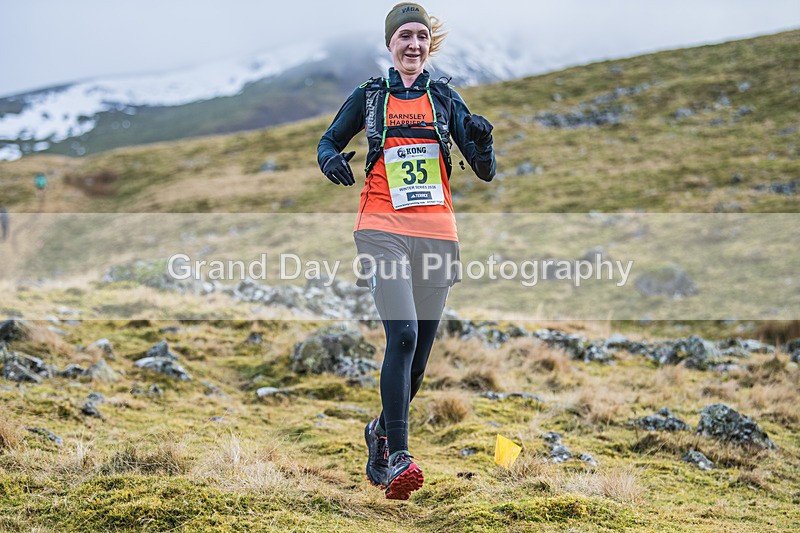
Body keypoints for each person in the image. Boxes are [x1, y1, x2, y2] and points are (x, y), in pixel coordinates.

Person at [317, 2, 496, 500]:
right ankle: (399, 455)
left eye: (421, 36)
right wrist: (331, 159)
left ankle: (379, 432)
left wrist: (482, 141)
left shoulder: (444, 98)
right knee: (402, 336)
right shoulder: (370, 97)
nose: (413, 44)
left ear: (428, 44)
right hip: (381, 228)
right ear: (390, 45)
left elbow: (484, 169)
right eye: (404, 37)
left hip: (437, 234)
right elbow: (328, 141)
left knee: (417, 360)